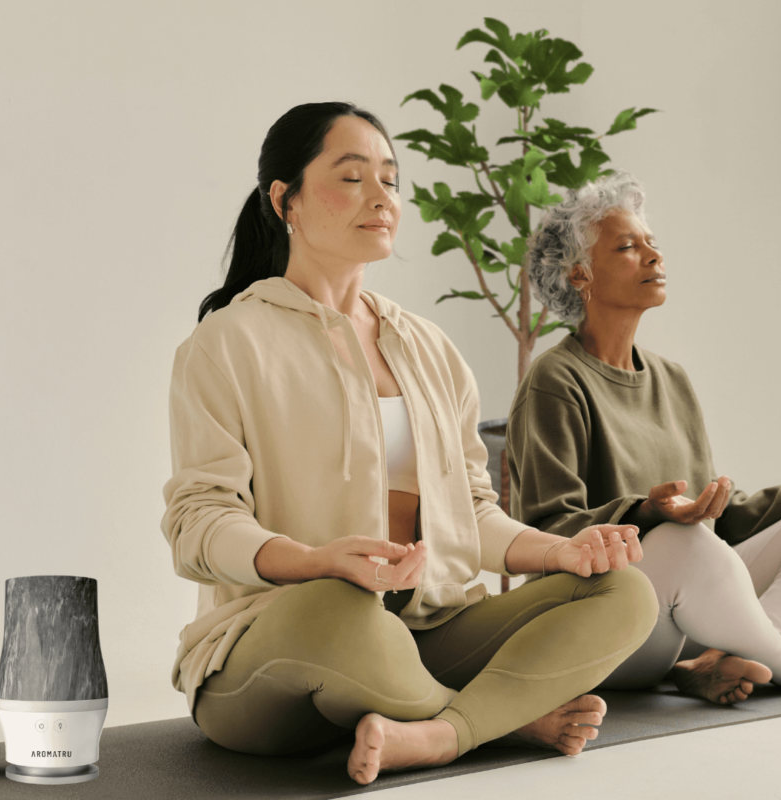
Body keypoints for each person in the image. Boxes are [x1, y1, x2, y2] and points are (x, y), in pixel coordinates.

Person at [160, 103, 659, 785]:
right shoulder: (225, 344)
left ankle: (434, 733)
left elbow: (473, 512)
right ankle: (495, 721)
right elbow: (198, 522)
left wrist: (562, 551)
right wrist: (312, 562)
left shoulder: (427, 348)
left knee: (620, 590)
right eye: (352, 176)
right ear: (285, 201)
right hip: (276, 650)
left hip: (424, 633)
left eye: (390, 180)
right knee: (343, 608)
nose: (381, 198)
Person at [507, 172, 781, 705]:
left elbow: (721, 514)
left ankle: (736, 655)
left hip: (693, 606)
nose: (654, 258)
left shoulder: (673, 379)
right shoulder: (554, 380)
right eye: (627, 247)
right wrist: (647, 513)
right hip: (606, 620)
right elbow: (546, 529)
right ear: (580, 277)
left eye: (652, 245)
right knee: (684, 541)